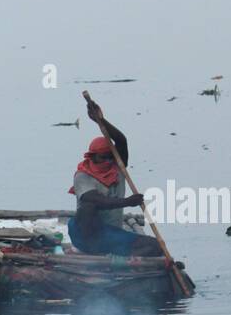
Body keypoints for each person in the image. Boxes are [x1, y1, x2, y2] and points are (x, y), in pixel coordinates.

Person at [67, 98, 163, 256]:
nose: (107, 161)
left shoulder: (117, 167)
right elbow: (96, 200)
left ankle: (116, 255)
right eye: (102, 157)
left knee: (156, 246)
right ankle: (87, 249)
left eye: (110, 157)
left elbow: (121, 140)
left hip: (110, 234)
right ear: (92, 157)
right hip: (86, 234)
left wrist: (101, 121)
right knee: (88, 206)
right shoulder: (83, 175)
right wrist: (127, 202)